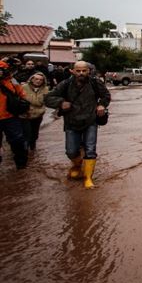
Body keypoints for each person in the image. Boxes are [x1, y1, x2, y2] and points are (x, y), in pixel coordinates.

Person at [45, 61, 110, 189]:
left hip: (90, 120)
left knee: (90, 150)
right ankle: (77, 165)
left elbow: (106, 96)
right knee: (71, 151)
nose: (81, 73)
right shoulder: (66, 84)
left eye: (84, 71)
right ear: (73, 71)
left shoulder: (95, 83)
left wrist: (102, 105)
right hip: (71, 122)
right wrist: (61, 102)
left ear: (88, 71)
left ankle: (88, 179)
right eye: (78, 71)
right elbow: (48, 98)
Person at [0, 60, 29, 169]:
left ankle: (21, 165)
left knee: (17, 141)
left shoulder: (12, 81)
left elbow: (22, 95)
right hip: (8, 117)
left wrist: (22, 108)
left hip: (10, 117)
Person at [20, 71, 49, 154]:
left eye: (40, 80)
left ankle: (32, 148)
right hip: (25, 115)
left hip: (37, 115)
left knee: (35, 133)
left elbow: (40, 102)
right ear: (32, 79)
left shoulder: (45, 89)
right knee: (26, 133)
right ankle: (25, 151)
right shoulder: (23, 87)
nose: (38, 81)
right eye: (36, 79)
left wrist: (27, 98)